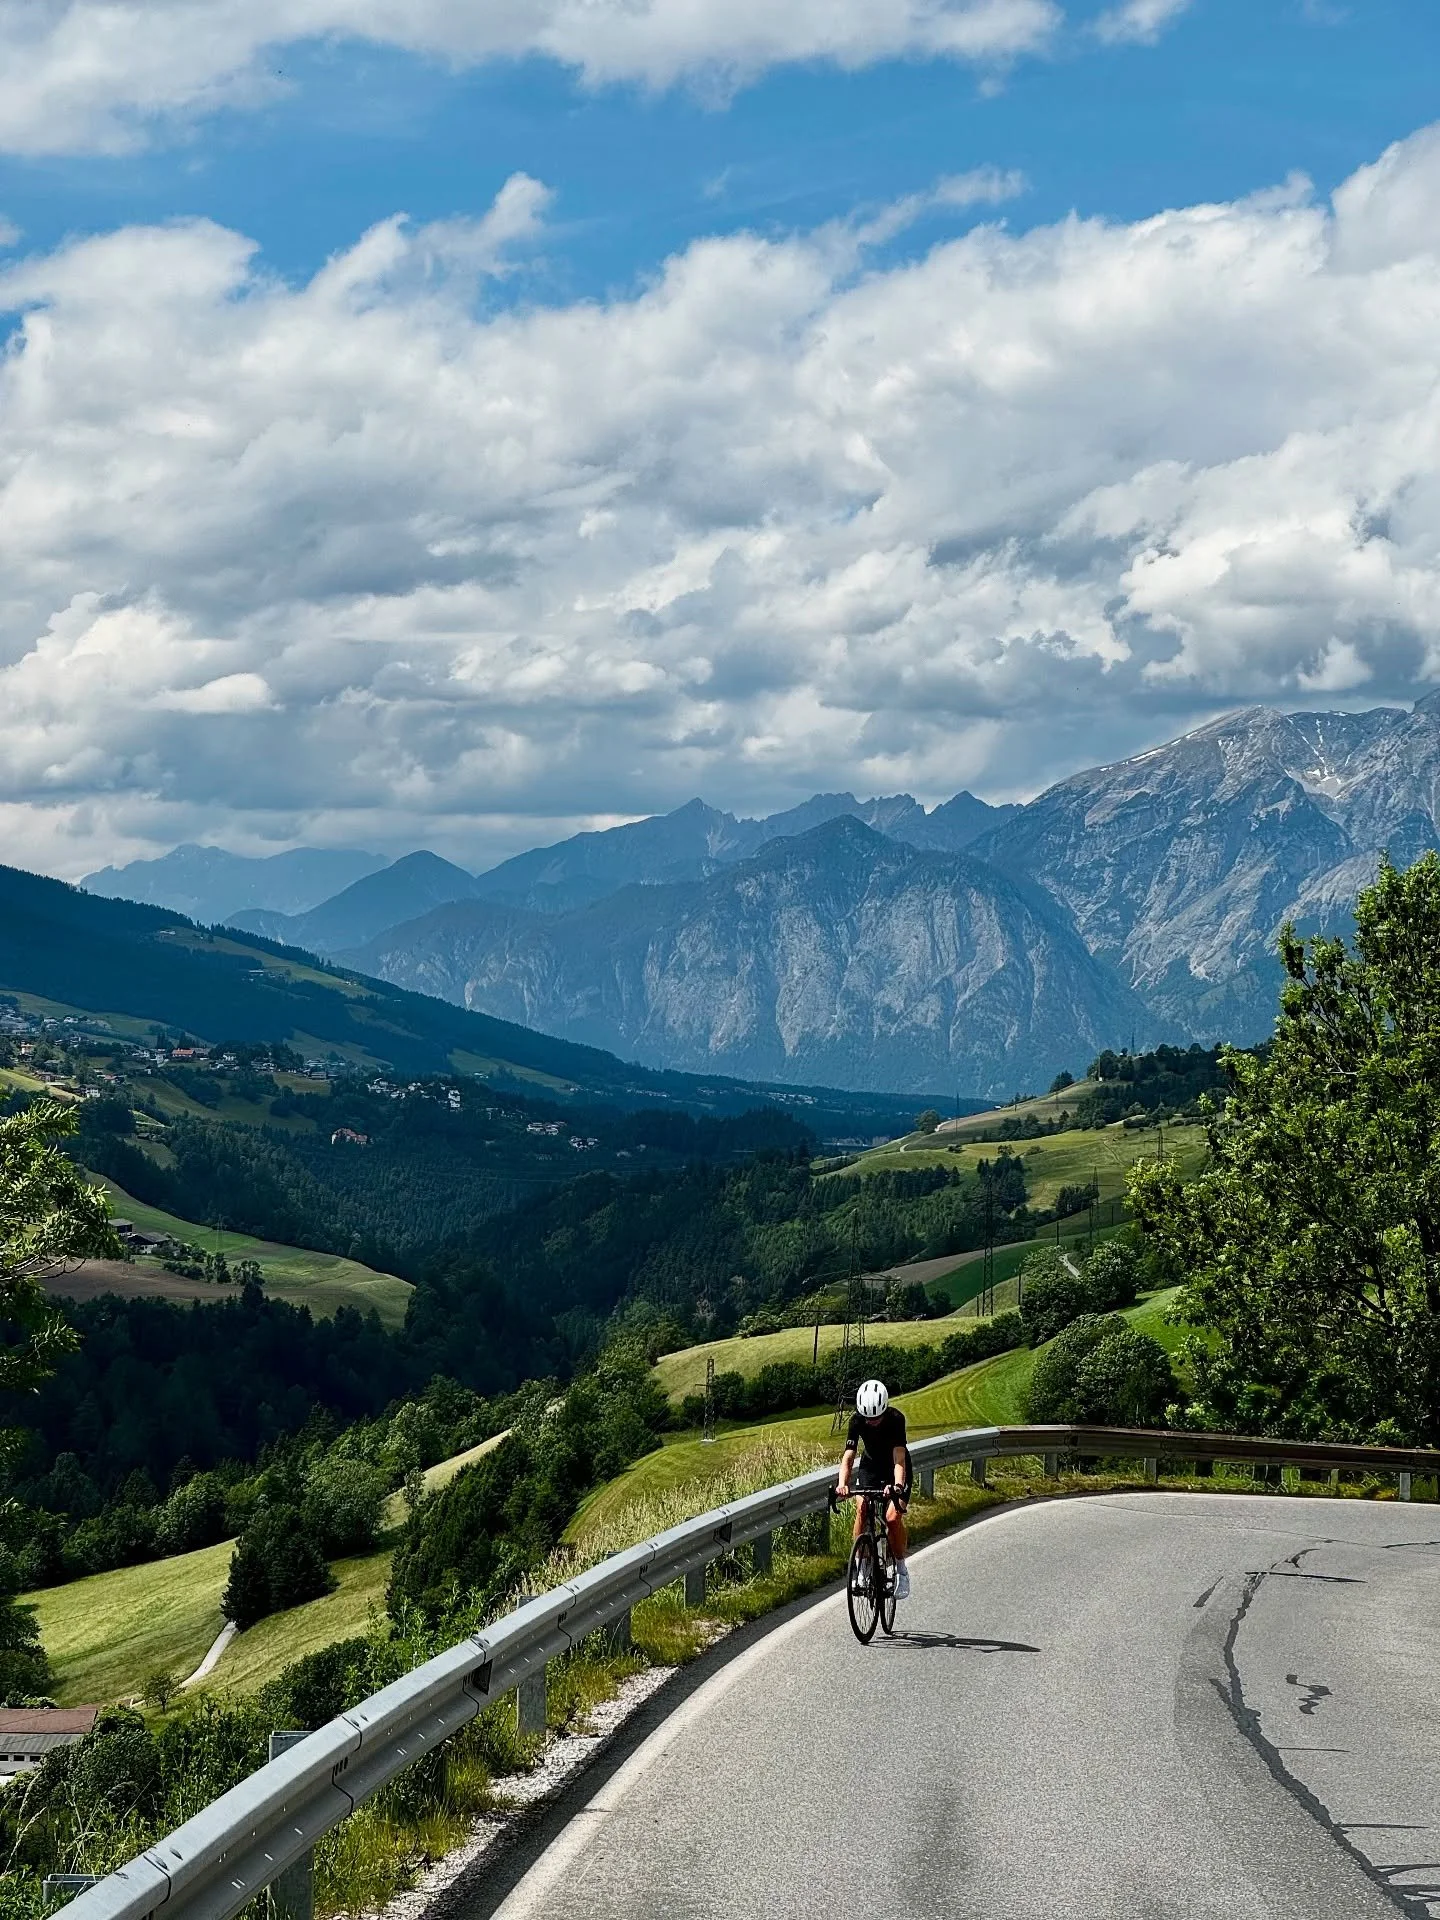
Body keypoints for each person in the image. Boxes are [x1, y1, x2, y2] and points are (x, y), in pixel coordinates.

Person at [836, 1377, 911, 1601]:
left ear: (884, 1409)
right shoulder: (857, 1420)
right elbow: (849, 1456)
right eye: (868, 1418)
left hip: (895, 1468)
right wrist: (842, 1484)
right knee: (861, 1509)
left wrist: (897, 1485)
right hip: (870, 1467)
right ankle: (862, 1564)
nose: (872, 1422)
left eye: (876, 1417)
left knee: (892, 1517)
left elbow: (899, 1456)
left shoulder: (896, 1419)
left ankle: (901, 1569)